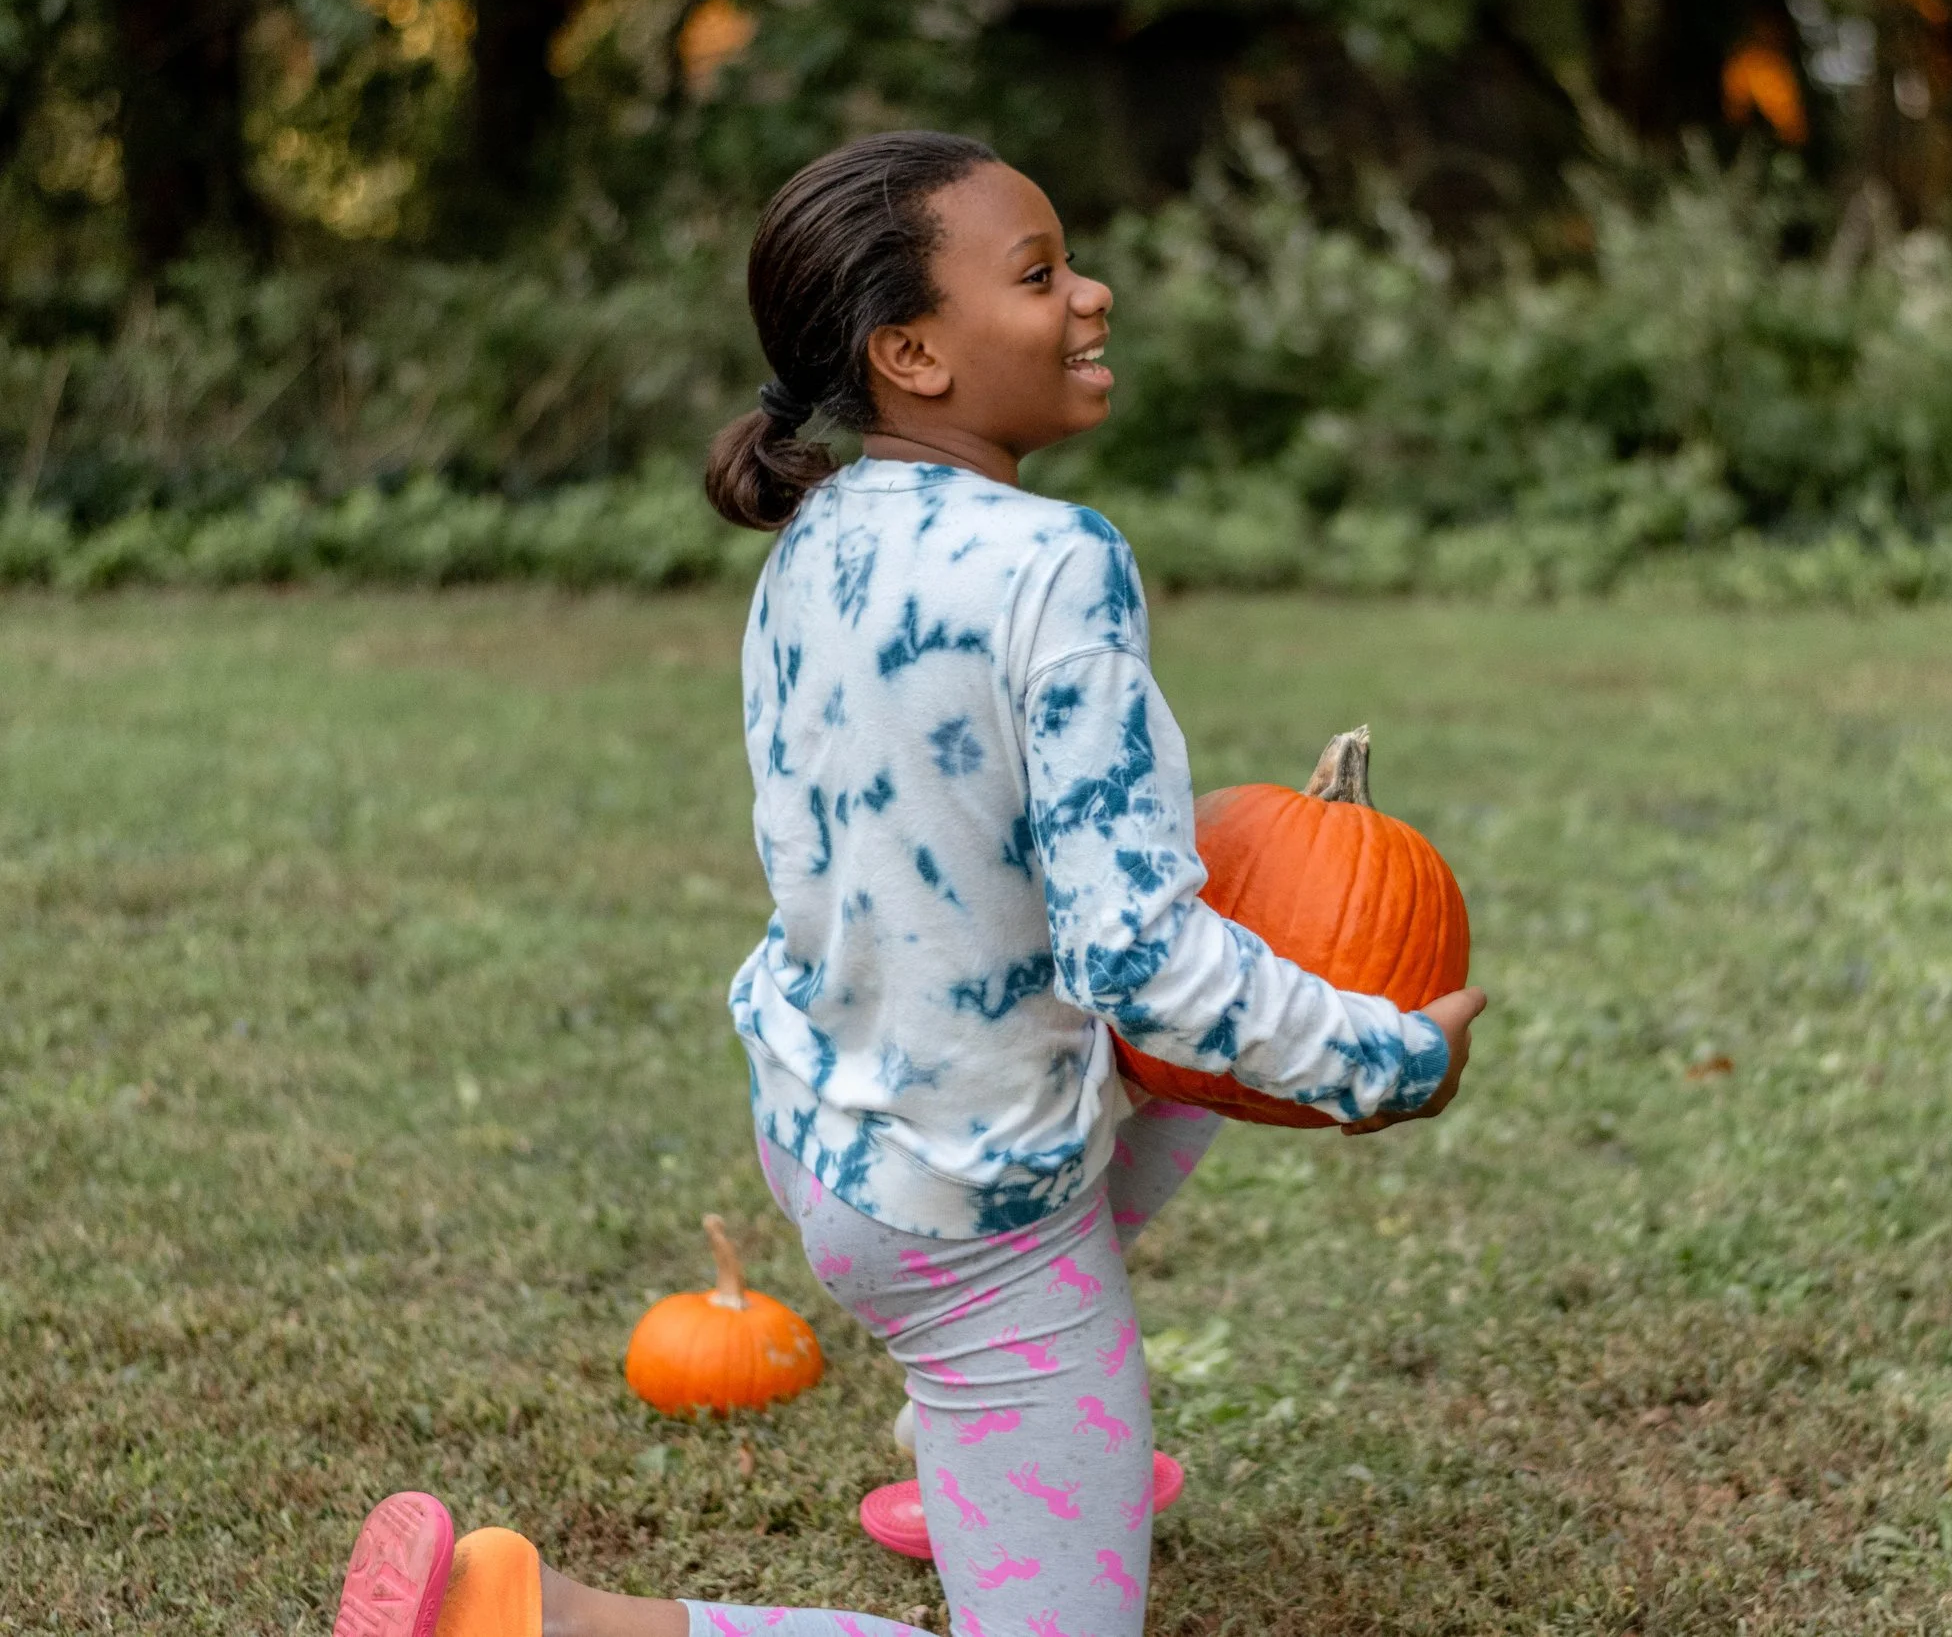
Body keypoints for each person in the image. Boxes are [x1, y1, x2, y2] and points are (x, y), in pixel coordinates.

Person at [327, 129, 1488, 1637]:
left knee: (1167, 1082)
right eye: (1041, 272)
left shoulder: (814, 537)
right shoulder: (1061, 563)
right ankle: (534, 1612)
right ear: (913, 352)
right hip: (972, 1216)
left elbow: (930, 844)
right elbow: (1138, 959)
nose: (1095, 295)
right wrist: (1384, 1058)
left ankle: (990, 1457)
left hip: (821, 1128)